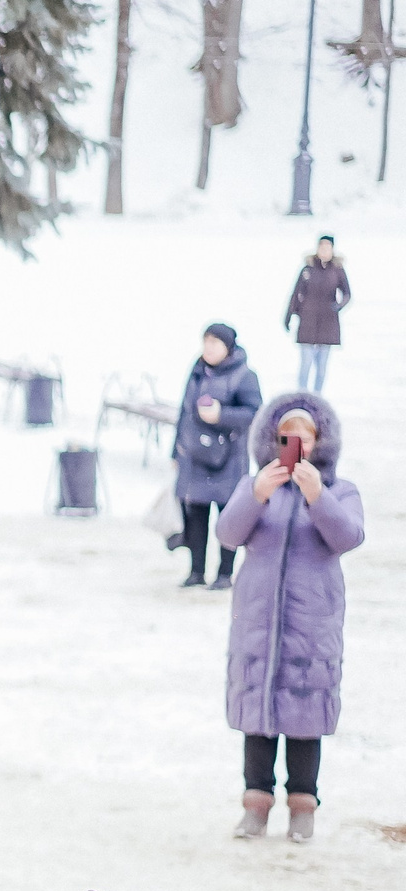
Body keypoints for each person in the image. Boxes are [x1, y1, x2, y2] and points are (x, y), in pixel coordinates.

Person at [217, 394, 363, 842]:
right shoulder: (255, 484)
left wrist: (318, 496)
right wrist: (257, 494)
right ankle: (255, 806)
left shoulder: (340, 489)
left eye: (306, 436)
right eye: (287, 435)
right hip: (258, 621)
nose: (297, 443)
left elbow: (348, 537)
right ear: (272, 439)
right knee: (257, 715)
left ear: (321, 442)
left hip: (311, 622)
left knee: (305, 716)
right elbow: (227, 534)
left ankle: (303, 808)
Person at [172, 321, 263, 591]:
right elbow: (184, 413)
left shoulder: (245, 376)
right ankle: (196, 571)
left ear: (228, 347)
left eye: (215, 343)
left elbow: (254, 414)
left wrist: (221, 415)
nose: (208, 348)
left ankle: (225, 574)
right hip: (195, 456)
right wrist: (175, 450)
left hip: (228, 461)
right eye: (206, 342)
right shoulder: (198, 371)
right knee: (196, 516)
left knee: (228, 518)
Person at [285, 235, 351, 393]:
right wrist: (289, 315)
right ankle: (302, 395)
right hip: (307, 323)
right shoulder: (308, 269)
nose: (324, 251)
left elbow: (347, 293)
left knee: (321, 368)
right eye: (322, 247)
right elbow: (296, 293)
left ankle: (317, 397)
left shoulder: (337, 270)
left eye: (328, 247)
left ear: (332, 250)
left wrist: (338, 306)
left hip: (328, 324)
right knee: (305, 365)